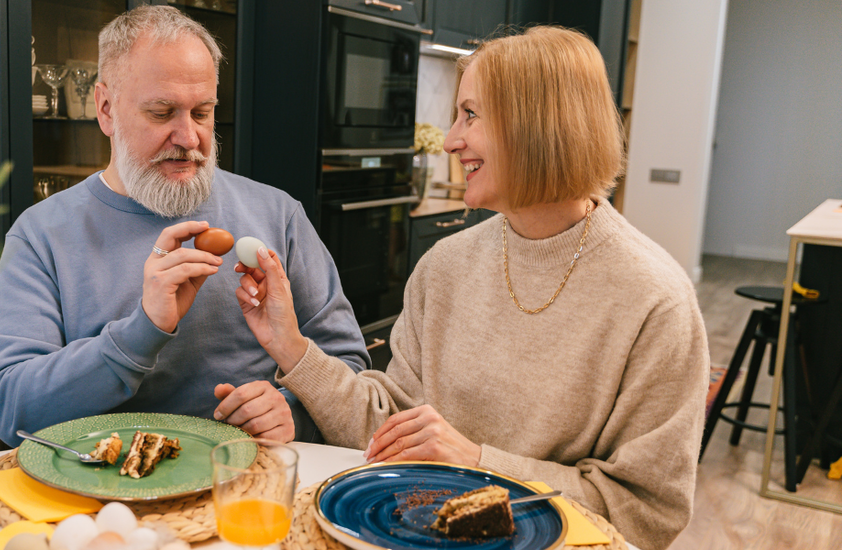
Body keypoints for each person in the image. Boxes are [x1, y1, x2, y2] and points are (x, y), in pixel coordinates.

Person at [233, 26, 709, 550]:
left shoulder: (655, 299)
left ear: (538, 126)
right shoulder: (446, 265)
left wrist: (479, 464)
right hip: (419, 533)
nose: (452, 138)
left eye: (471, 115)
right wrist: (291, 347)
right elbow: (389, 428)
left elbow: (645, 512)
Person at [0, 6, 368, 449]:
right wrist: (141, 330)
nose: (189, 138)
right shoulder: (42, 234)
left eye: (202, 113)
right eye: (163, 113)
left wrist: (293, 412)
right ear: (105, 109)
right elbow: (12, 411)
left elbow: (351, 370)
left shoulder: (278, 214)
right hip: (104, 495)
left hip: (251, 491)